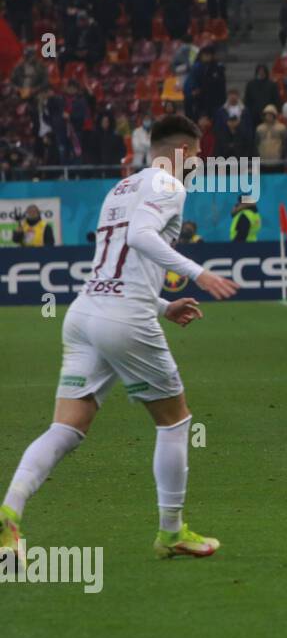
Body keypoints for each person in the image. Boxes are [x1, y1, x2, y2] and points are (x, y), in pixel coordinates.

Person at [1, 115, 238, 564]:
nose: (201, 161)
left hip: (86, 312)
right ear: (181, 151)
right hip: (123, 319)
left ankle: (8, 514)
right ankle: (171, 532)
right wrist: (198, 273)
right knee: (174, 420)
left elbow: (119, 264)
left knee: (66, 427)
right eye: (198, 152)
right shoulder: (170, 186)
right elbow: (141, 237)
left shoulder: (121, 188)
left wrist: (165, 306)